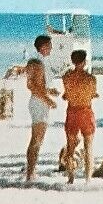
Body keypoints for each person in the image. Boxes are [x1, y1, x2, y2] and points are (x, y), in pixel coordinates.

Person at [59, 49, 98, 184]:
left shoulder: (66, 77)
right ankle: (87, 179)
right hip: (86, 112)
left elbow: (67, 95)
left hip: (72, 112)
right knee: (88, 147)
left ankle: (71, 178)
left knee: (70, 147)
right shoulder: (91, 79)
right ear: (84, 61)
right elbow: (93, 94)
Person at [23, 34, 57, 184]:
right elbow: (31, 86)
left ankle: (32, 170)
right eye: (49, 45)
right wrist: (48, 99)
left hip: (40, 102)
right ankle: (30, 173)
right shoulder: (36, 62)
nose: (51, 48)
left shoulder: (41, 62)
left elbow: (40, 86)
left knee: (38, 140)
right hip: (38, 103)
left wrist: (50, 92)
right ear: (43, 47)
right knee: (36, 140)